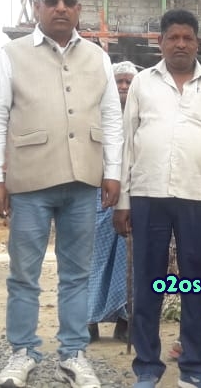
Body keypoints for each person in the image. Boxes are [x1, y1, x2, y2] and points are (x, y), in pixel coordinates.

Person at [0, 0, 124, 388]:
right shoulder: (12, 54)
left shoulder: (98, 57)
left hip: (83, 181)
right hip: (30, 181)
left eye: (68, 1)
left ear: (78, 10)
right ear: (37, 8)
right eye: (51, 0)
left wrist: (112, 172)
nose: (60, 7)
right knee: (23, 274)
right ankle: (22, 352)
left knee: (77, 274)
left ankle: (73, 354)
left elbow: (111, 117)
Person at [113, 8, 201, 388]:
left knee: (195, 287)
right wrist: (123, 200)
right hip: (147, 195)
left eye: (188, 38)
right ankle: (147, 368)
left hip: (198, 197)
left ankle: (196, 369)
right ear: (161, 42)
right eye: (173, 37)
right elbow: (126, 145)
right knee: (147, 284)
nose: (181, 44)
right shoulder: (142, 83)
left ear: (197, 43)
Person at [86, 61, 139, 343]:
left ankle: (125, 321)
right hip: (99, 195)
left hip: (133, 194)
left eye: (129, 82)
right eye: (119, 81)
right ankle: (88, 320)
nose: (124, 86)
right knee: (93, 259)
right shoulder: (97, 114)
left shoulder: (142, 114)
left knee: (127, 260)